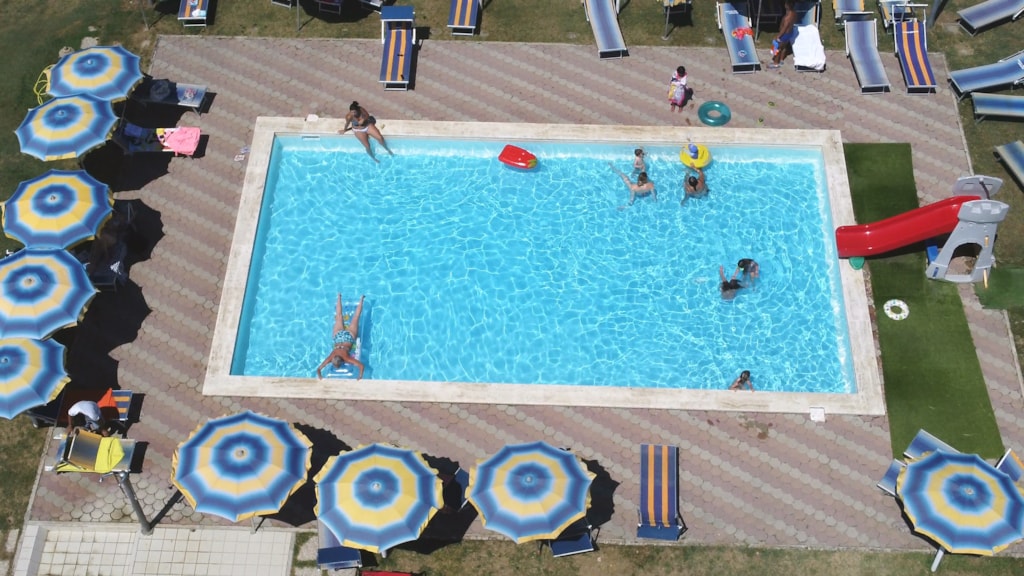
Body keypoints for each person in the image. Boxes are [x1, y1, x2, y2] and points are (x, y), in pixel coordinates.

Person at [317, 294, 366, 380]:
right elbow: (318, 369)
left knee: (356, 317)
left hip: (348, 338)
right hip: (338, 337)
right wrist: (319, 375)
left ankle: (361, 299)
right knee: (339, 316)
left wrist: (360, 376)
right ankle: (339, 296)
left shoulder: (346, 358)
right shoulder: (331, 357)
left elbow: (361, 366)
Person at [770, 0, 798, 69]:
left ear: (787, 6)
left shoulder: (787, 18)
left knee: (778, 48)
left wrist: (778, 36)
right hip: (790, 33)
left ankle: (776, 63)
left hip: (784, 34)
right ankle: (781, 60)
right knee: (784, 47)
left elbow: (784, 28)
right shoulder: (794, 13)